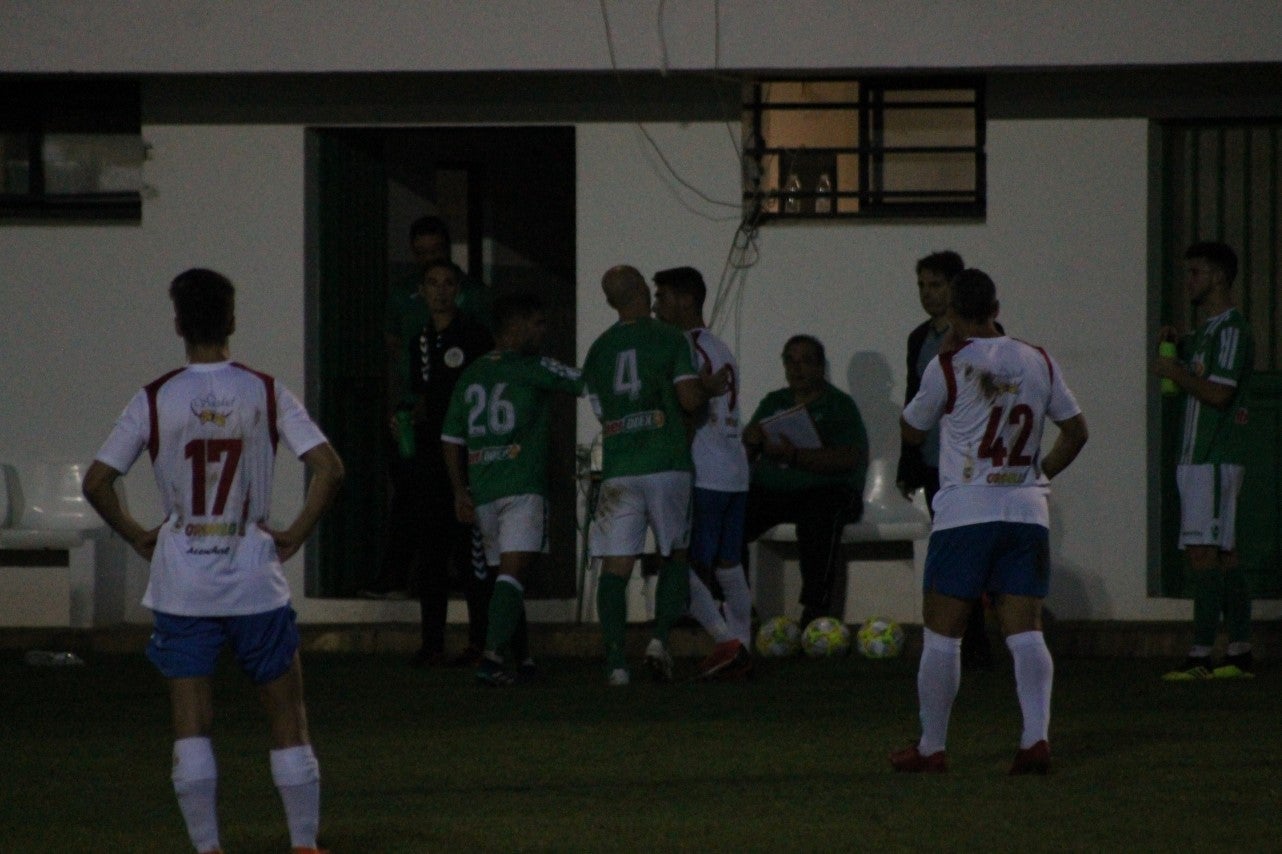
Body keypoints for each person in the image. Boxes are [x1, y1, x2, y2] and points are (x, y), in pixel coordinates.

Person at [81, 268, 344, 854]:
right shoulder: (265, 391)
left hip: (183, 583)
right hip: (253, 578)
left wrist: (136, 535)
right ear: (232, 320)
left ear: (178, 324)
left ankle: (208, 848)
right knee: (285, 712)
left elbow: (98, 481)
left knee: (191, 720)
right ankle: (303, 845)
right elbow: (330, 466)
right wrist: (296, 532)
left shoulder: (155, 397)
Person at [890, 268, 1087, 775]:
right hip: (1025, 511)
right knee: (1025, 632)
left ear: (953, 314)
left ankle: (932, 746)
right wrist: (1040, 472)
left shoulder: (949, 365)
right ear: (998, 308)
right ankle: (1035, 739)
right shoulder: (1039, 358)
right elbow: (1076, 431)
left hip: (967, 513)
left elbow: (912, 430)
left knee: (942, 635)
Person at [582, 264, 730, 685]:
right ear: (644, 293)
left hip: (620, 468)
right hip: (666, 464)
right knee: (675, 555)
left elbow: (599, 410)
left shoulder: (599, 349)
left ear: (611, 302)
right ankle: (659, 641)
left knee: (616, 566)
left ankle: (615, 663)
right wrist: (708, 388)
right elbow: (687, 399)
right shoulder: (669, 338)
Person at [441, 291, 583, 686]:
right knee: (512, 575)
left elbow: (450, 437)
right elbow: (583, 382)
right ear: (514, 327)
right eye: (537, 323)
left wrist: (459, 490)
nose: (543, 331)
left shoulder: (471, 373)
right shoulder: (531, 366)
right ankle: (490, 659)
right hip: (522, 488)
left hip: (484, 490)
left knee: (506, 576)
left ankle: (523, 659)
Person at [365, 214, 491, 600]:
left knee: (459, 495)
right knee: (409, 493)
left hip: (456, 413)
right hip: (412, 411)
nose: (428, 261)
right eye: (420, 254)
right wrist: (399, 406)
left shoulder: (472, 297)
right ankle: (400, 577)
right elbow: (393, 351)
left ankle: (467, 578)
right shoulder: (404, 296)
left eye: (435, 252)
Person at [1151, 241, 1255, 680]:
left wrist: (1174, 372)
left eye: (1195, 272)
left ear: (1216, 276)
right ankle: (1238, 651)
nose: (1188, 281)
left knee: (1202, 552)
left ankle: (1199, 657)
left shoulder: (1231, 330)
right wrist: (1177, 345)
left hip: (1213, 457)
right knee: (1225, 554)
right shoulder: (1207, 333)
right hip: (1202, 457)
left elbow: (1220, 392)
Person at [651, 266, 754, 680]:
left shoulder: (687, 347)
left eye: (662, 296)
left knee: (684, 565)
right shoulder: (719, 345)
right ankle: (742, 646)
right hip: (734, 468)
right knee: (729, 564)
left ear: (686, 300)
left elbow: (690, 405)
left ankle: (725, 641)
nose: (656, 305)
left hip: (705, 470)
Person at [897, 250, 994, 670]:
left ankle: (980, 640)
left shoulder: (984, 337)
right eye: (922, 285)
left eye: (936, 285)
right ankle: (962, 642)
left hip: (976, 462)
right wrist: (909, 461)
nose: (927, 294)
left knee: (977, 551)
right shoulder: (919, 339)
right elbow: (913, 401)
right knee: (953, 551)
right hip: (939, 462)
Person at [741, 335, 868, 628]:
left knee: (819, 519)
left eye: (806, 361)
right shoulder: (775, 402)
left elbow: (848, 458)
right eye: (791, 361)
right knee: (730, 516)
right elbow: (747, 452)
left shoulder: (839, 405)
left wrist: (796, 456)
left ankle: (815, 611)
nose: (797, 369)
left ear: (820, 367)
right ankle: (736, 605)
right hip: (775, 491)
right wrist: (750, 439)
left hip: (826, 489)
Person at [407, 259, 495, 667]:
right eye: (432, 283)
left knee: (471, 550)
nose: (440, 291)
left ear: (458, 289)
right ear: (422, 290)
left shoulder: (473, 335)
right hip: (429, 457)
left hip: (465, 455)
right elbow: (419, 392)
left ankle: (481, 639)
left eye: (447, 284)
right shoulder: (421, 339)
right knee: (431, 551)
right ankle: (432, 641)